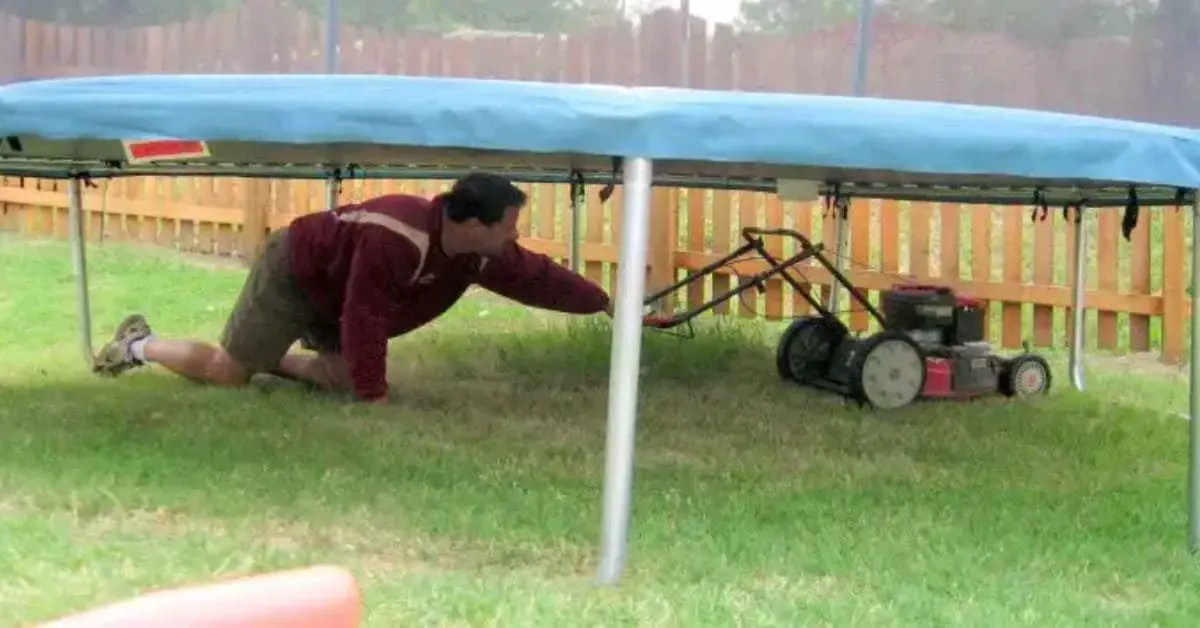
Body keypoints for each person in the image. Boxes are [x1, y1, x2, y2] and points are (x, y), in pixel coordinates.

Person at [91, 172, 667, 404]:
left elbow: (537, 277)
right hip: (297, 272)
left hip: (339, 292)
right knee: (229, 374)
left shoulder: (476, 252)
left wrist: (610, 306)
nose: (515, 236)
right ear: (473, 223)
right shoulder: (400, 235)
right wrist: (377, 400)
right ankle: (138, 344)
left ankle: (269, 357)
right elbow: (364, 317)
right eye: (509, 225)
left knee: (341, 379)